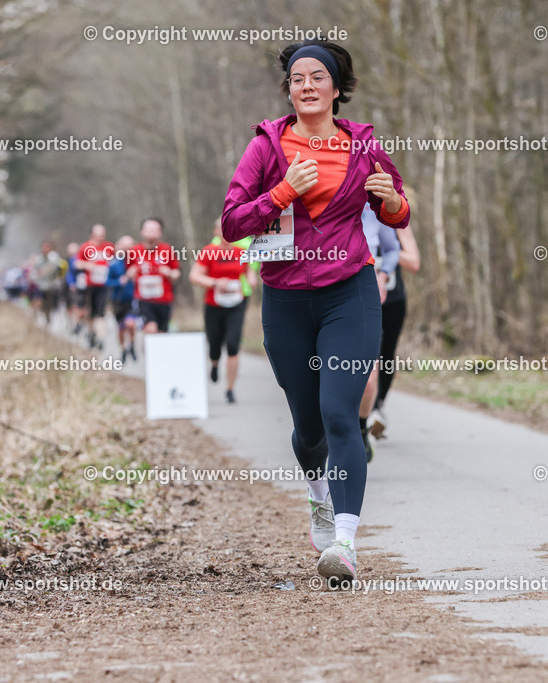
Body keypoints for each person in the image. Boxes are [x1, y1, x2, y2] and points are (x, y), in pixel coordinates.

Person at [222, 39, 410, 583]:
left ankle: (345, 543)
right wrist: (281, 192)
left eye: (318, 77)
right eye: (297, 78)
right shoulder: (266, 148)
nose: (307, 85)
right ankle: (318, 492)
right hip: (285, 299)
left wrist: (393, 201)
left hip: (349, 292)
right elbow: (233, 223)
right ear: (289, 88)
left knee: (339, 413)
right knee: (308, 428)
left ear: (336, 87)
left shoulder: (362, 147)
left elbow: (397, 210)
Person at [190, 219, 257, 404]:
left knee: (233, 345)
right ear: (216, 232)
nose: (225, 231)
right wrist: (215, 283)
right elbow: (194, 276)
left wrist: (252, 279)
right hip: (214, 304)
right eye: (221, 228)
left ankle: (230, 389)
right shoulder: (209, 252)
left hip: (236, 304)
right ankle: (214, 363)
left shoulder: (241, 252)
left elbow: (249, 271)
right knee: (214, 344)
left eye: (228, 227)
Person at [358, 203, 401, 461]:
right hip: (325, 297)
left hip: (365, 297)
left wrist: (383, 274)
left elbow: (393, 249)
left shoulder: (372, 209)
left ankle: (362, 427)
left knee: (368, 378)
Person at [368, 222, 419, 439]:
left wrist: (391, 251)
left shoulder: (396, 221)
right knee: (369, 355)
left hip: (393, 300)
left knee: (387, 354)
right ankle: (365, 411)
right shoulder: (358, 215)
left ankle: (378, 407)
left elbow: (414, 263)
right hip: (364, 297)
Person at [127, 217, 180, 334]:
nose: (151, 232)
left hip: (164, 299)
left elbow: (176, 272)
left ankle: (153, 351)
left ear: (160, 232)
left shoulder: (167, 250)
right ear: (142, 231)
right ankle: (146, 349)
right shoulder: (134, 251)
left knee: (161, 333)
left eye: (155, 229)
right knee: (151, 329)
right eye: (148, 229)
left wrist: (170, 273)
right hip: (143, 299)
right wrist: (131, 273)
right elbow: (129, 271)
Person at [76, 225, 113, 349]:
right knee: (90, 312)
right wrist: (87, 265)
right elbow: (77, 263)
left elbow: (115, 262)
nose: (100, 238)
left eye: (102, 235)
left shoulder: (109, 247)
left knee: (101, 312)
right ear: (92, 235)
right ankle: (91, 333)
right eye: (98, 235)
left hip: (103, 285)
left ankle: (100, 338)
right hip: (89, 285)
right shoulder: (85, 247)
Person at [108, 235, 139, 364]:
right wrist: (119, 281)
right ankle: (123, 350)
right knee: (121, 327)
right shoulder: (114, 264)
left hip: (133, 299)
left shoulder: (137, 261)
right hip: (118, 300)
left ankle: (131, 344)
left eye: (129, 247)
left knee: (131, 324)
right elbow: (107, 281)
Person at [31, 240, 66, 326]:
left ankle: (50, 321)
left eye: (47, 247)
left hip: (52, 286)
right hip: (41, 286)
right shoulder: (38, 259)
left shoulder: (54, 257)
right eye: (44, 247)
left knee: (50, 305)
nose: (45, 249)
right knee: (39, 303)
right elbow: (34, 271)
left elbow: (54, 268)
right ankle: (40, 320)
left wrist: (43, 271)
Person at [64, 241, 83, 334]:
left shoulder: (78, 258)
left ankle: (77, 323)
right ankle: (74, 324)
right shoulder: (69, 260)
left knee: (77, 306)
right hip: (72, 286)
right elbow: (69, 274)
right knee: (73, 306)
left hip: (80, 286)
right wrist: (71, 283)